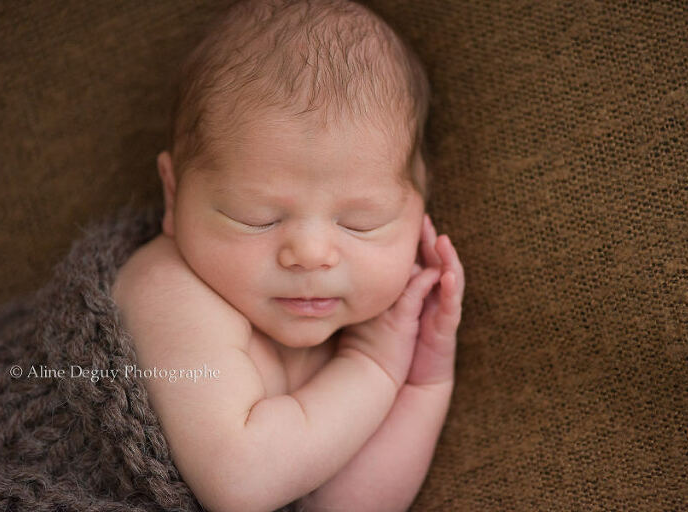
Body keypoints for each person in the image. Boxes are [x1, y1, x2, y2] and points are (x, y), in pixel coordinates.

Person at [112, 0, 465, 510]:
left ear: (418, 216)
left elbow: (342, 506)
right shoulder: (168, 289)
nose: (311, 255)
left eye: (361, 223)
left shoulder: (356, 338)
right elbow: (241, 483)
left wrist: (423, 383)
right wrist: (374, 367)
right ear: (173, 196)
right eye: (257, 217)